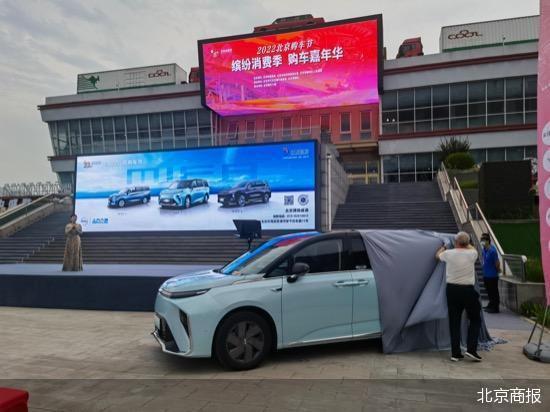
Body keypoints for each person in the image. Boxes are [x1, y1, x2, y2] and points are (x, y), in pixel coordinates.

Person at [436, 231, 482, 362]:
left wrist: (445, 246)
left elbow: (437, 256)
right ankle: (471, 350)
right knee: (475, 319)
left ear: (456, 242)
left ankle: (455, 353)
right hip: (468, 290)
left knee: (454, 322)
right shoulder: (472, 254)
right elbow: (472, 247)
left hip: (452, 290)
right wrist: (466, 243)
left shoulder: (449, 254)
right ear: (467, 243)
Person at [481, 233, 501, 313]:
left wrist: (498, 270)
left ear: (488, 241)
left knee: (494, 292)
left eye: (483, 240)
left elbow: (497, 262)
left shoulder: (492, 251)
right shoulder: (484, 250)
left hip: (492, 276)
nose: (482, 241)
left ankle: (495, 307)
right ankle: (490, 304)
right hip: (486, 274)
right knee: (489, 291)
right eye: (481, 240)